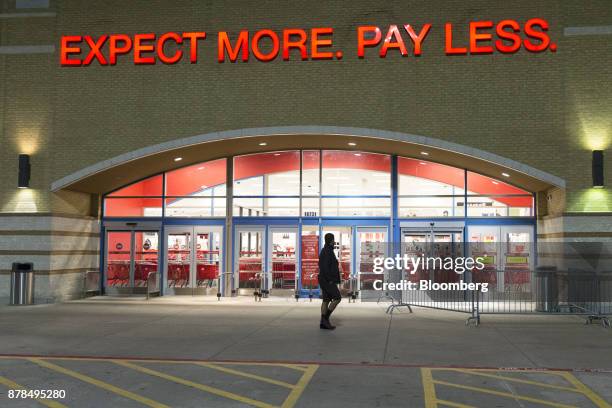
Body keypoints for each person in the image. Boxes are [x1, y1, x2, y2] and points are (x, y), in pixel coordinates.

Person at [318, 233, 342, 330]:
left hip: (324, 280)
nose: (334, 241)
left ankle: (323, 323)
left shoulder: (326, 250)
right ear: (331, 240)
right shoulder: (327, 251)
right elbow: (325, 268)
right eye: (333, 240)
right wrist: (331, 280)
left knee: (326, 300)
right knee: (337, 298)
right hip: (327, 281)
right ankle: (325, 319)